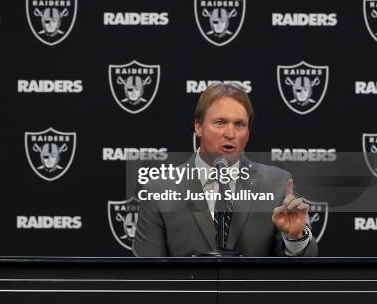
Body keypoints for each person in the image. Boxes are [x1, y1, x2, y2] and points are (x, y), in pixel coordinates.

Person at [133, 83, 317, 257]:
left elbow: (301, 273)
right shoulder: (158, 191)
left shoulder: (277, 184)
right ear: (198, 127)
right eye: (220, 122)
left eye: (239, 125)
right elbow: (147, 277)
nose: (230, 134)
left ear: (248, 133)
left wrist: (294, 239)